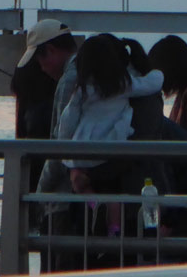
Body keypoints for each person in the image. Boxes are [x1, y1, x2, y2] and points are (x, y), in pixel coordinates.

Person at [57, 33, 166, 236]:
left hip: (82, 149)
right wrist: (158, 73)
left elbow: (68, 119)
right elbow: (152, 83)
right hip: (110, 147)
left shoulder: (83, 89)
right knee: (114, 197)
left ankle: (94, 203)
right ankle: (113, 229)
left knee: (78, 178)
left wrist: (63, 145)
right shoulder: (124, 85)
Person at [11, 21, 78, 190]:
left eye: (40, 60)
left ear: (50, 50)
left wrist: (41, 191)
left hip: (62, 193)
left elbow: (60, 143)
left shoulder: (67, 81)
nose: (42, 68)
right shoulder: (84, 71)